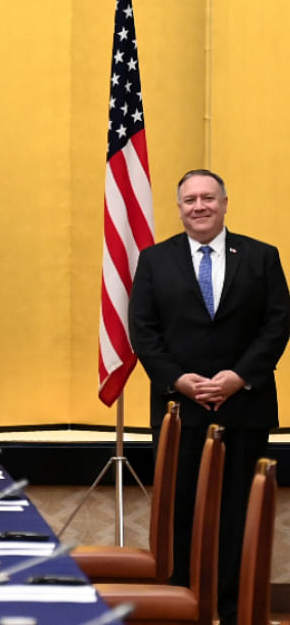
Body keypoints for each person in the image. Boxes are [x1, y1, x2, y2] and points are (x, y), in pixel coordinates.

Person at [129, 169, 289, 624]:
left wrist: (239, 377)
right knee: (180, 513)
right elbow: (143, 330)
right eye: (189, 200)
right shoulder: (155, 260)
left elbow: (277, 324)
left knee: (241, 514)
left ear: (224, 202)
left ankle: (235, 610)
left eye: (208, 198)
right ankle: (182, 608)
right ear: (179, 207)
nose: (199, 206)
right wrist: (179, 380)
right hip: (180, 410)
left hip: (245, 406)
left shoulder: (261, 257)